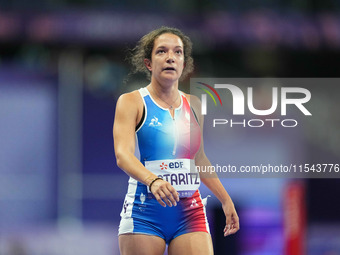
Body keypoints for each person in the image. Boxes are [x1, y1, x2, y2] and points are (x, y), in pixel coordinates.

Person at [113, 26, 239, 255]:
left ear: (184, 63)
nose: (170, 57)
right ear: (148, 63)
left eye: (177, 52)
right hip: (145, 211)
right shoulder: (131, 101)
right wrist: (153, 181)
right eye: (162, 51)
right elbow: (123, 156)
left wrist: (225, 199)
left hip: (189, 211)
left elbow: (199, 159)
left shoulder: (195, 105)